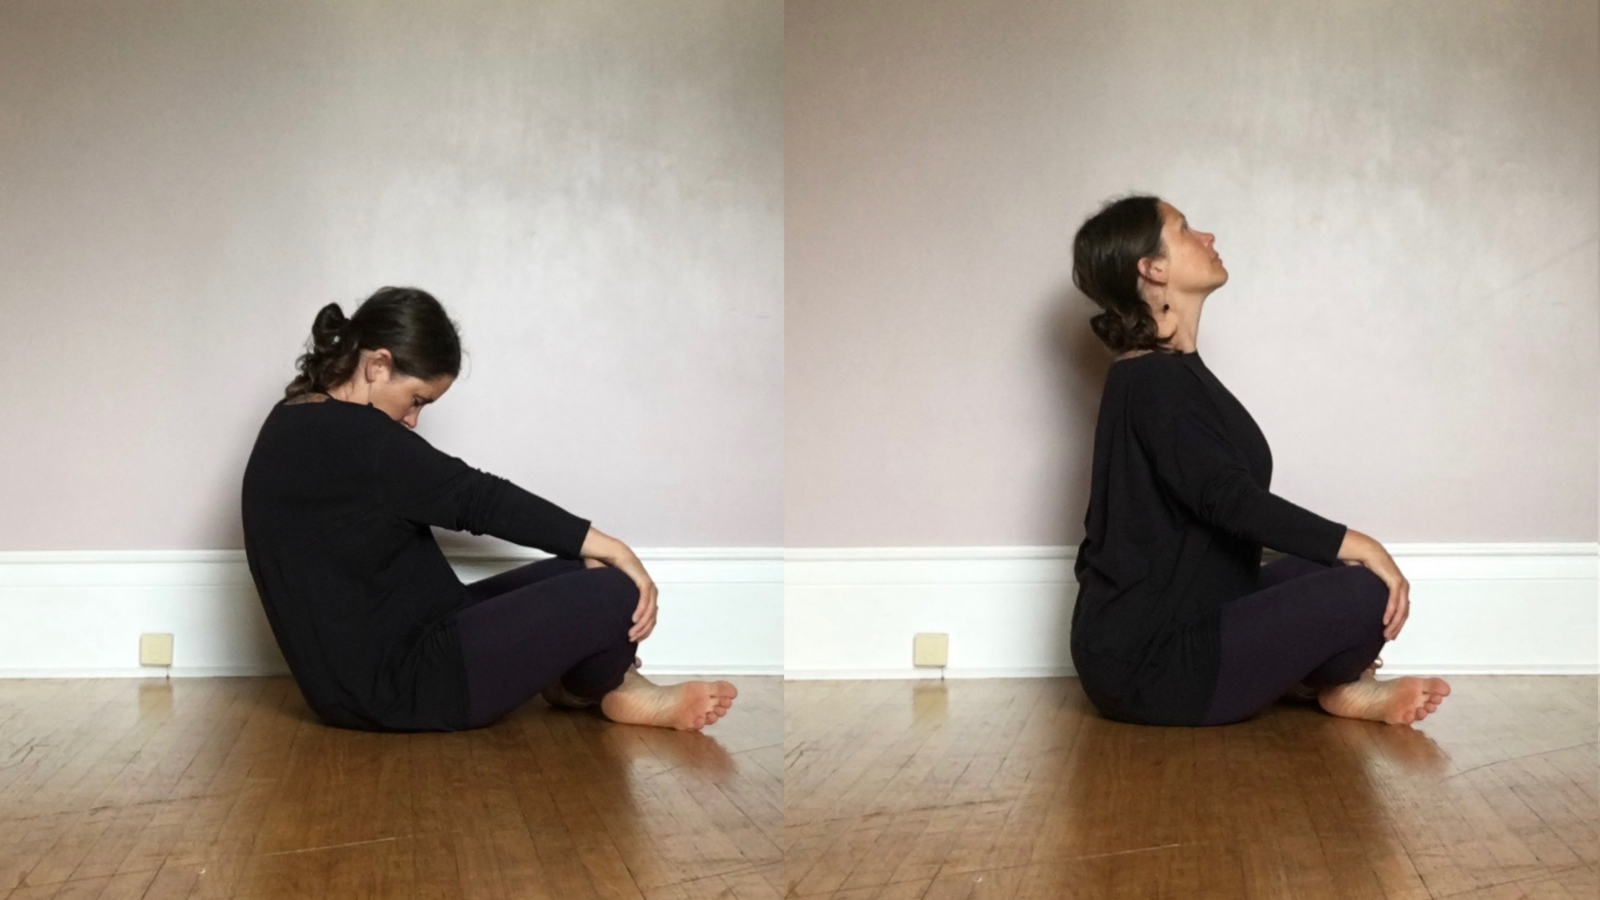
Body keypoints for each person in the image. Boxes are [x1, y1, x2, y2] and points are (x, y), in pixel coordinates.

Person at [241, 286, 737, 733]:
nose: (412, 421)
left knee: (577, 567)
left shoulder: (296, 419)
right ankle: (602, 687)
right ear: (377, 365)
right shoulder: (360, 438)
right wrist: (616, 547)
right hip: (405, 688)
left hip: (373, 674)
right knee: (614, 584)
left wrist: (593, 549)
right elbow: (478, 498)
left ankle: (594, 684)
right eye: (415, 399)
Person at [1068, 195, 1450, 727]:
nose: (1208, 237)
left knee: (1341, 569)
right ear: (1152, 269)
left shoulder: (1172, 372)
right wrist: (1366, 542)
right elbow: (1227, 500)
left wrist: (1342, 552)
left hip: (1189, 618)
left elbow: (1202, 514)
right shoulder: (1154, 381)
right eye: (1185, 230)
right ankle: (1335, 684)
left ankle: (1330, 684)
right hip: (1149, 665)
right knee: (1365, 581)